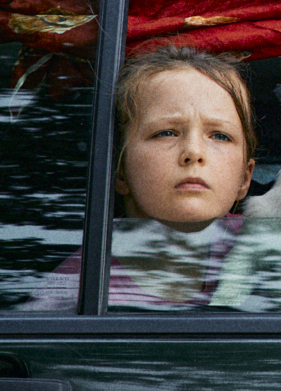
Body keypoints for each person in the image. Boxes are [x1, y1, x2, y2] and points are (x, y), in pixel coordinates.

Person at [23, 46, 257, 310]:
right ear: (119, 170)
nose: (193, 152)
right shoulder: (75, 293)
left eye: (220, 136)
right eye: (166, 133)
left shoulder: (270, 245)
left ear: (245, 178)